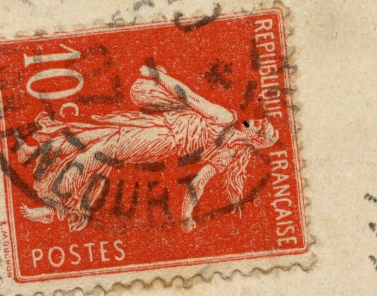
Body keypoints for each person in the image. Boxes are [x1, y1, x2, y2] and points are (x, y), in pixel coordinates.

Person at [16, 63, 279, 233]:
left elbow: (188, 97)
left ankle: (51, 208)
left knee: (95, 152)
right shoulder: (230, 149)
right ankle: (37, 151)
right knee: (92, 133)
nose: (254, 121)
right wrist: (187, 217)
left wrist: (160, 76)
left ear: (255, 138)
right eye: (258, 121)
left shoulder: (225, 119)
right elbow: (196, 184)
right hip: (157, 128)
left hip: (161, 137)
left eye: (258, 127)